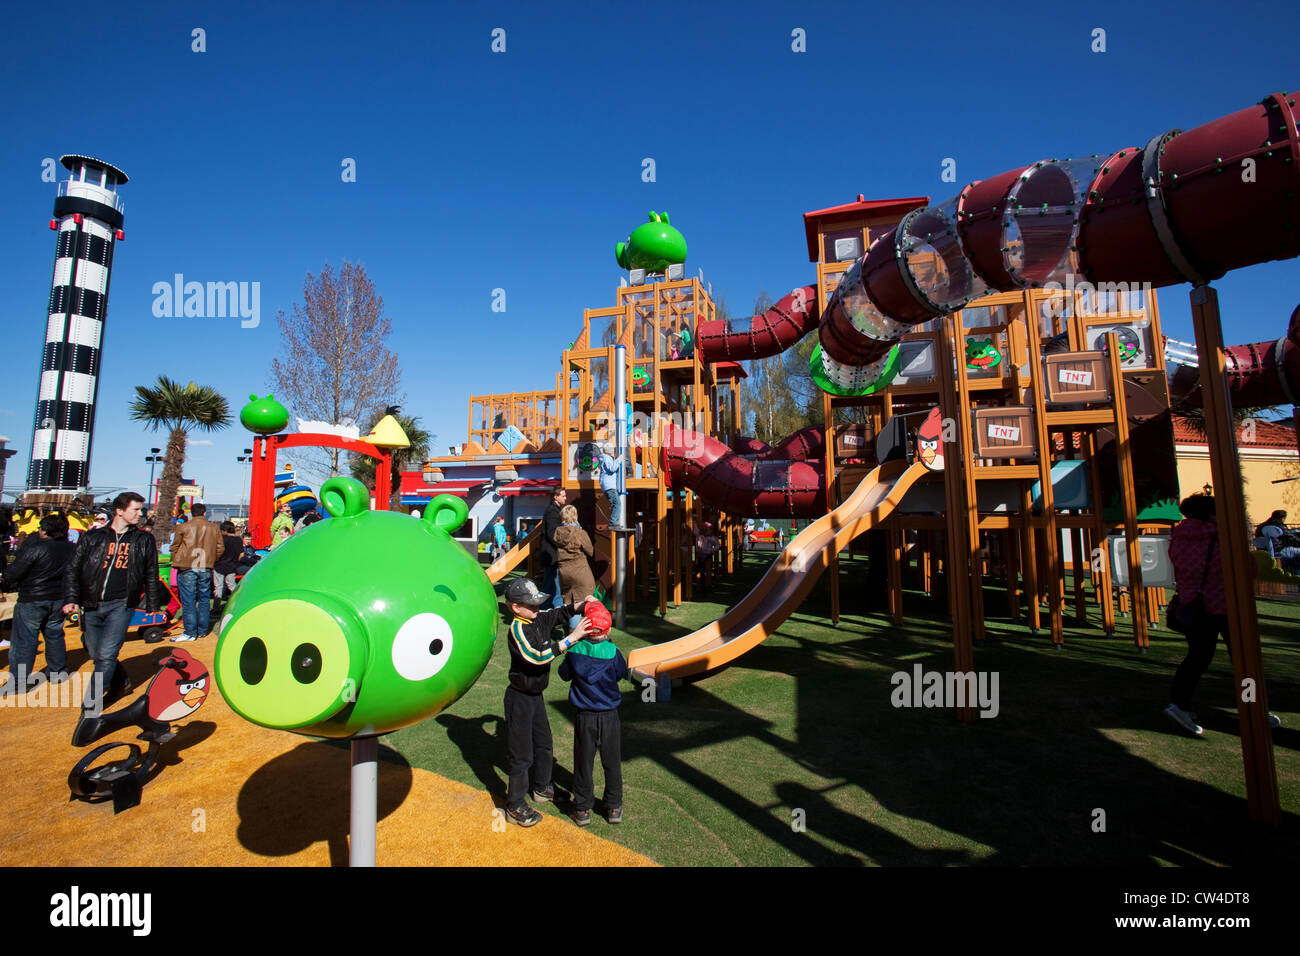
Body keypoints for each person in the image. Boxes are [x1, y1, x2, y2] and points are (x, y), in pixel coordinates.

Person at [501, 577, 591, 827]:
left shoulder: (537, 617)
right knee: (522, 755)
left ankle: (542, 788)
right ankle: (515, 805)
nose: (537, 608)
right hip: (519, 698)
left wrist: (582, 605)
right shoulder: (518, 629)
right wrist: (572, 638)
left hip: (535, 696)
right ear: (515, 608)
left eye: (538, 602)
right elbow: (537, 657)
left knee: (544, 744)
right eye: (531, 605)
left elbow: (558, 613)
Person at [63, 491, 163, 715]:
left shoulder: (143, 539)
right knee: (96, 653)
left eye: (141, 509)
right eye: (135, 510)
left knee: (107, 654)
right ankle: (121, 684)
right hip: (91, 603)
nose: (140, 514)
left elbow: (150, 572)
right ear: (119, 511)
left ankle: (90, 703)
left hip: (122, 604)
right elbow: (73, 569)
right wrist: (71, 598)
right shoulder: (93, 537)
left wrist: (153, 605)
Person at [558, 603, 627, 826]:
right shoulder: (613, 652)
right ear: (607, 630)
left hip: (584, 715)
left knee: (583, 762)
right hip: (609, 715)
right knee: (612, 761)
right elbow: (620, 673)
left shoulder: (575, 651)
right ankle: (614, 807)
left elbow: (564, 674)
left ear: (585, 626)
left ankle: (582, 809)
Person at [1, 512, 75, 690]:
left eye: (41, 528)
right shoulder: (72, 548)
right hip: (59, 598)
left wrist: (7, 578)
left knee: (24, 640)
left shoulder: (36, 548)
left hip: (32, 598)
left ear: (46, 531)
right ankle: (58, 673)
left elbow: (13, 574)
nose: (39, 531)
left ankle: (18, 682)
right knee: (55, 634)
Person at [170, 502, 224, 642]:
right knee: (204, 599)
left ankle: (190, 631)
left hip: (187, 565)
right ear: (204, 513)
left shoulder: (183, 527)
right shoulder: (213, 528)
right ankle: (202, 630)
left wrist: (176, 559)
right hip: (205, 565)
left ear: (191, 513)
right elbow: (220, 548)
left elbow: (175, 546)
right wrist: (212, 559)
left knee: (188, 600)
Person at [554, 505, 597, 629]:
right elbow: (590, 551)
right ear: (575, 516)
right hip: (580, 570)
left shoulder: (558, 532)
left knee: (570, 602)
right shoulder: (580, 533)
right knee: (584, 601)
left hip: (564, 571)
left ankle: (571, 632)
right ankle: (578, 635)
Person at [539, 487, 567, 609]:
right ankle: (543, 613)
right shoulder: (552, 511)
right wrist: (563, 544)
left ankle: (554, 614)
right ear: (556, 497)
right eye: (563, 496)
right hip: (551, 555)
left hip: (552, 554)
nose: (565, 498)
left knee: (554, 586)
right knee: (551, 586)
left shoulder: (555, 510)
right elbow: (552, 534)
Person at [211, 519, 242, 621]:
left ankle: (216, 609)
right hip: (232, 566)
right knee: (232, 586)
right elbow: (241, 555)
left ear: (224, 530)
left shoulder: (221, 539)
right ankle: (238, 604)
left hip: (219, 566)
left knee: (218, 588)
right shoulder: (238, 540)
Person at [597, 443, 624, 530]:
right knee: (617, 503)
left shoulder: (605, 458)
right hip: (609, 486)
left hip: (607, 486)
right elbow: (612, 468)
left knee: (615, 503)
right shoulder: (607, 458)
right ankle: (613, 523)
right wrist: (619, 459)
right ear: (610, 452)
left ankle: (613, 522)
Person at [694, 520, 721, 595]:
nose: (707, 530)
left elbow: (717, 545)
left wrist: (710, 550)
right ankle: (704, 587)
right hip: (702, 554)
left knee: (701, 570)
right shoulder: (702, 535)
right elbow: (695, 530)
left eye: (707, 529)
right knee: (701, 571)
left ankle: (704, 588)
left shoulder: (710, 537)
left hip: (705, 554)